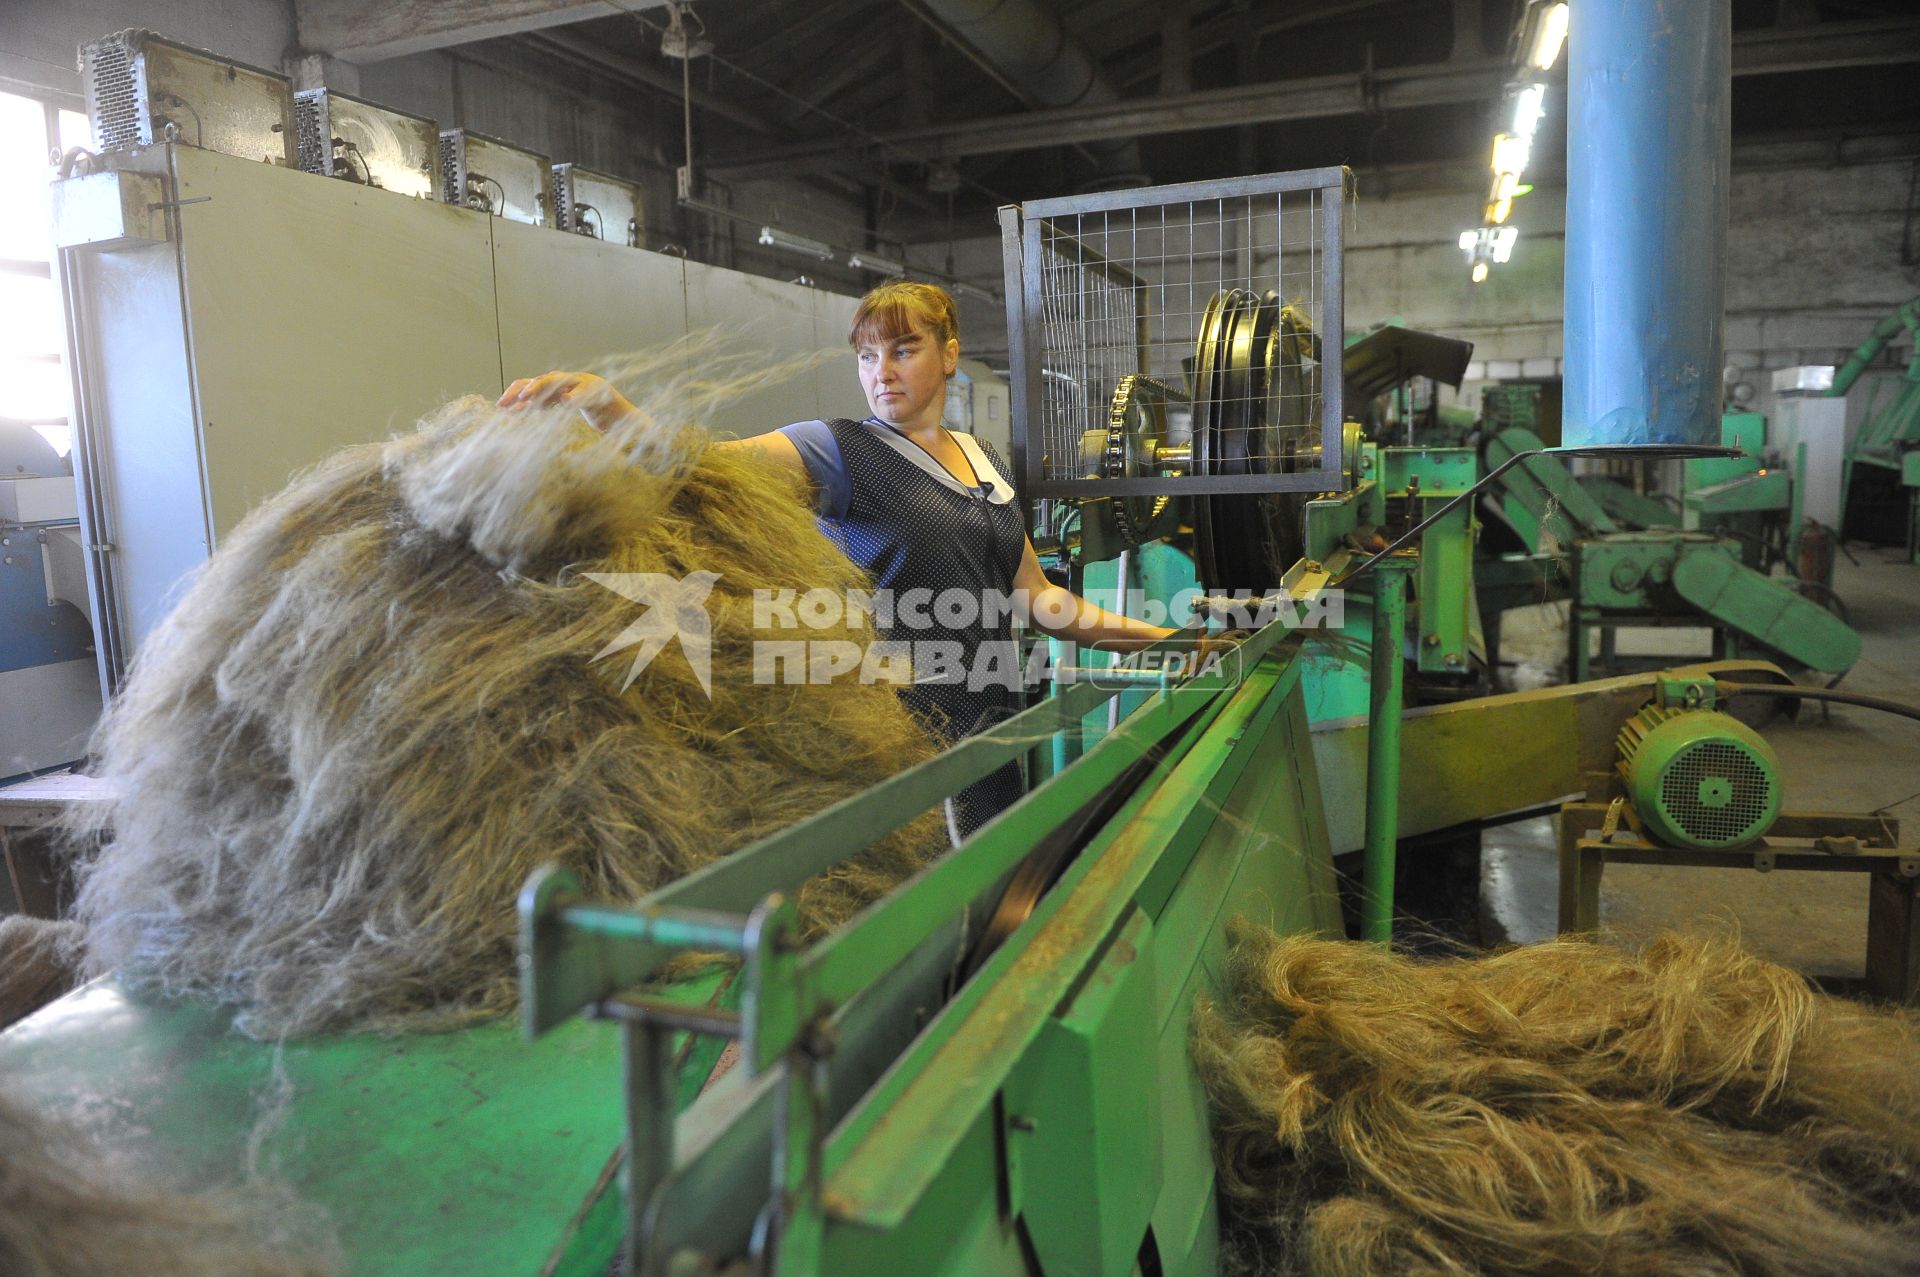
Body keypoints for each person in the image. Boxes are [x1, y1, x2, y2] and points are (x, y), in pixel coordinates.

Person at [501, 280, 1182, 838]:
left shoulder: (985, 461)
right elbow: (695, 464)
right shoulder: (838, 451)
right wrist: (606, 406)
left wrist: (1175, 640)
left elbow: (1039, 598)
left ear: (949, 355)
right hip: (894, 752)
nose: (881, 373)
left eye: (904, 350)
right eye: (866, 357)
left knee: (995, 912)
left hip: (993, 736)